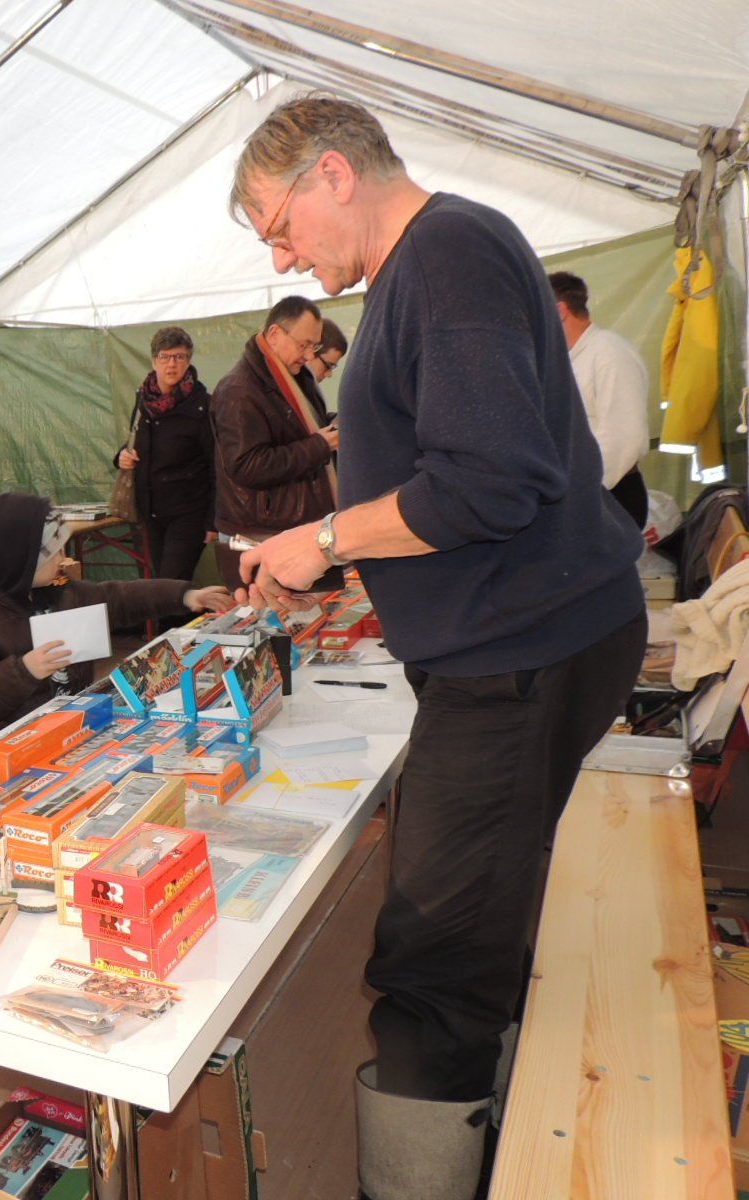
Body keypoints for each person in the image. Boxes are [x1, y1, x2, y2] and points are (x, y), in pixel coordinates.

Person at [227, 96, 643, 1200]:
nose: (282, 258)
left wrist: (326, 539)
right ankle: (490, 1118)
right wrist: (344, 553)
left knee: (429, 961)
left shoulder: (446, 254)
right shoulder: (428, 264)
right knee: (483, 908)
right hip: (518, 643)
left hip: (514, 662)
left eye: (278, 225)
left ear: (331, 174)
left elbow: (489, 482)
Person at [0, 492, 232, 739]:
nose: (62, 559)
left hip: (78, 730)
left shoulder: (67, 594)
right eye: (52, 553)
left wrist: (185, 596)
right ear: (21, 561)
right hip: (20, 745)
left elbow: (122, 598)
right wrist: (24, 670)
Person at [211, 295, 336, 587]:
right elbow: (246, 466)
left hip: (294, 525)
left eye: (314, 347)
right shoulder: (238, 390)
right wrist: (320, 446)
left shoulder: (293, 376)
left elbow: (301, 427)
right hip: (260, 533)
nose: (309, 355)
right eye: (304, 345)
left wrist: (333, 424)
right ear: (275, 334)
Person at [113, 325, 217, 582]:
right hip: (150, 512)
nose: (172, 364)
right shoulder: (143, 399)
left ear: (188, 361)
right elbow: (136, 440)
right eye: (165, 357)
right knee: (164, 586)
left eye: (179, 357)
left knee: (171, 583)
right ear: (154, 361)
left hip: (188, 512)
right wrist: (121, 456)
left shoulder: (203, 404)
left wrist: (213, 521)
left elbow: (217, 465)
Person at [549, 270, 651, 528]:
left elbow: (623, 436)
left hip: (609, 495)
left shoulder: (608, 352)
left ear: (559, 311)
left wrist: (579, 494)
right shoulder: (571, 359)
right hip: (585, 491)